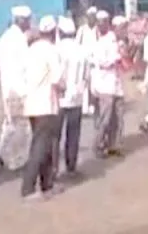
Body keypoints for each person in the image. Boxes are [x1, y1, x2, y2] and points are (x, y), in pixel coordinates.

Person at [20, 16, 64, 200]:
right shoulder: (51, 51)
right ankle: (28, 188)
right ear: (54, 32)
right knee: (40, 146)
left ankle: (47, 184)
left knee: (44, 145)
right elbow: (57, 79)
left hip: (31, 103)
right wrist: (63, 88)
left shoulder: (31, 50)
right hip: (46, 104)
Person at [0, 6, 33, 170]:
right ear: (21, 21)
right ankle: (16, 160)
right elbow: (26, 65)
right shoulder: (19, 39)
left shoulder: (5, 37)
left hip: (7, 87)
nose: (29, 24)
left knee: (10, 123)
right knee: (23, 126)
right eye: (28, 21)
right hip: (20, 88)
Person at [89, 10, 124, 157]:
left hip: (115, 82)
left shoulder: (112, 38)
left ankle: (114, 145)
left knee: (118, 117)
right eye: (99, 22)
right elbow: (100, 61)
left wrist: (116, 58)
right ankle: (98, 145)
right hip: (103, 84)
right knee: (105, 118)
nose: (101, 25)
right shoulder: (94, 39)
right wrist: (113, 59)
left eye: (104, 22)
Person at [56, 16, 87, 177]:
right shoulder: (81, 50)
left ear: (60, 32)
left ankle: (53, 168)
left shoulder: (57, 49)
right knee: (73, 134)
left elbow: (56, 75)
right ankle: (71, 166)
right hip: (77, 97)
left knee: (55, 136)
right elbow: (86, 75)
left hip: (59, 98)